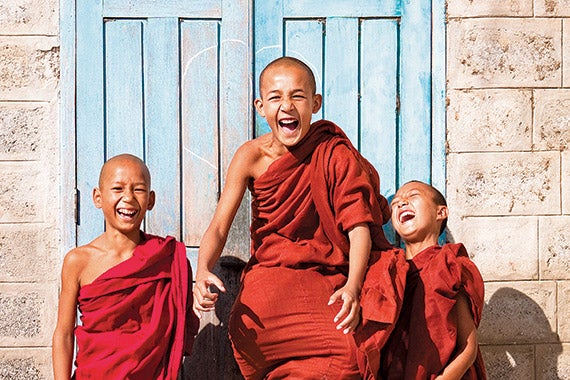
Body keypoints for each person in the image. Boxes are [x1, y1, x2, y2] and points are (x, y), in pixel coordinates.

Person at [193, 56, 407, 379]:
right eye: (276, 97)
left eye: (297, 96)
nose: (287, 106)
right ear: (260, 106)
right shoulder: (250, 156)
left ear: (315, 103)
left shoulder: (333, 153)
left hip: (323, 276)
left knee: (352, 356)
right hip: (271, 275)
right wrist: (202, 269)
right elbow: (220, 226)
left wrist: (352, 286)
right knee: (246, 334)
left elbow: (358, 226)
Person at [52, 154, 199, 380]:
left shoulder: (167, 259)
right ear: (97, 197)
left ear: (151, 200)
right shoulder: (78, 261)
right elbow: (63, 333)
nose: (128, 198)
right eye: (118, 189)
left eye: (138, 190)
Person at [381, 180, 487, 379]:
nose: (402, 203)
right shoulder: (388, 271)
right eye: (396, 203)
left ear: (441, 213)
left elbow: (468, 346)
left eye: (412, 196)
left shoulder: (448, 264)